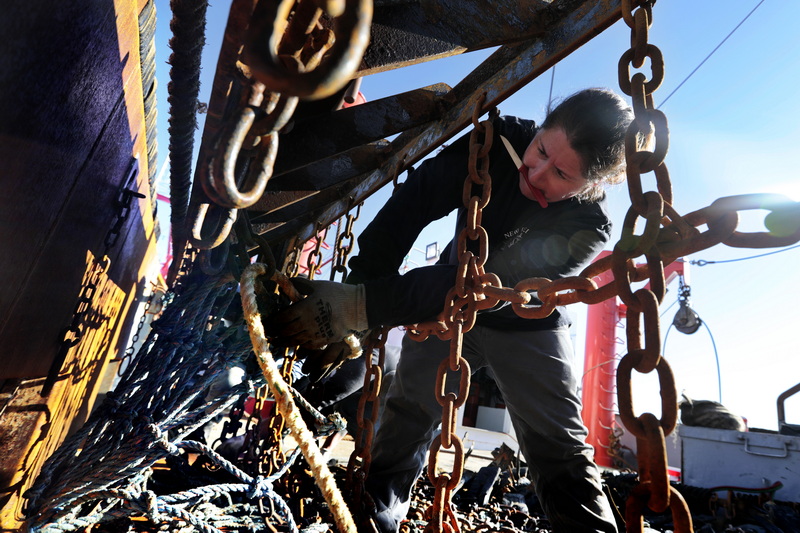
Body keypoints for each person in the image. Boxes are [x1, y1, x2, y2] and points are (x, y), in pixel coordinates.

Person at [267, 88, 642, 533]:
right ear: (539, 127)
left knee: (556, 443)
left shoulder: (588, 226)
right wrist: (359, 285)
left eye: (560, 173)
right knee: (408, 412)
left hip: (525, 323)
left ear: (593, 185)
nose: (535, 171)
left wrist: (362, 306)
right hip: (439, 304)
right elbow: (414, 204)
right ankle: (376, 512)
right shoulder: (494, 142)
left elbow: (484, 285)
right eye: (541, 148)